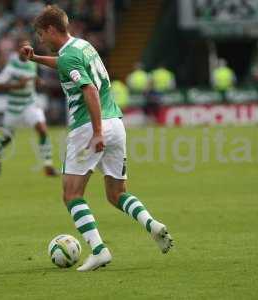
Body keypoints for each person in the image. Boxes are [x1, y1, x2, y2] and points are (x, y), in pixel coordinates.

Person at [19, 5, 173, 271]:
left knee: (71, 194)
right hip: (116, 123)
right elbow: (65, 65)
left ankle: (99, 250)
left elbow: (88, 89)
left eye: (40, 34)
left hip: (88, 128)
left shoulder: (69, 57)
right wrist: (36, 59)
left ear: (51, 29)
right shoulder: (82, 46)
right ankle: (153, 224)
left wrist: (97, 132)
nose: (40, 40)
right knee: (116, 194)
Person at [0, 38, 58, 177]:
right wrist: (17, 85)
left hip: (30, 103)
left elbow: (32, 76)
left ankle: (48, 166)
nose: (27, 50)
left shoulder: (31, 61)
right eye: (24, 47)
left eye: (29, 47)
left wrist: (38, 80)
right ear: (18, 50)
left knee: (42, 130)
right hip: (14, 107)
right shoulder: (11, 66)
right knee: (8, 137)